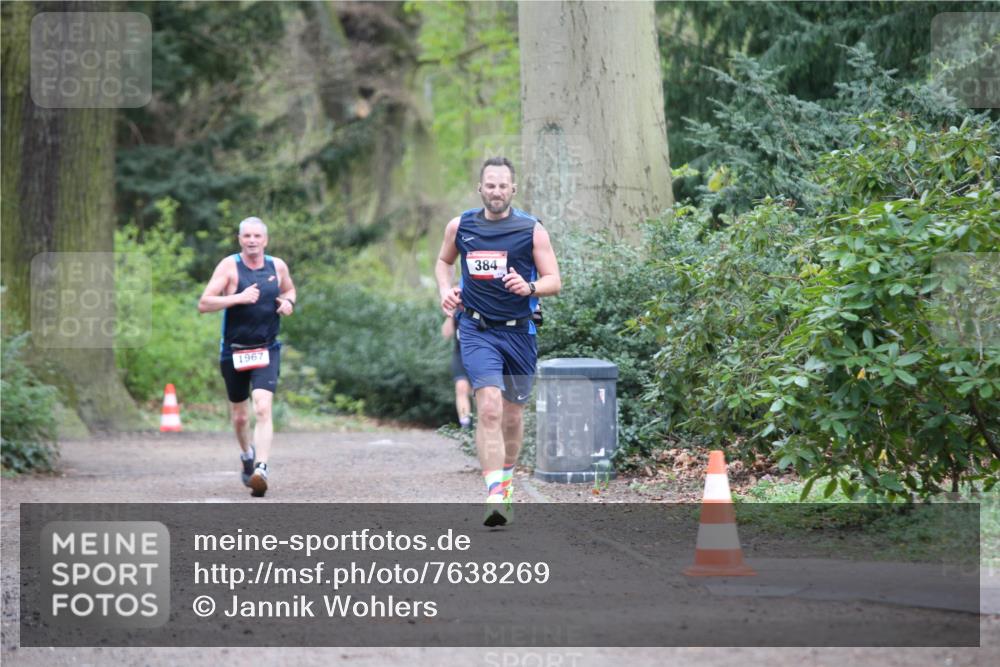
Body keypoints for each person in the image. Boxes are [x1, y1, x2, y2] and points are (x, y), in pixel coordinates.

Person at [435, 157, 561, 527]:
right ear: (480, 188)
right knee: (488, 407)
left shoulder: (531, 230)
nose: (496, 191)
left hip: (520, 331)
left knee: (512, 414)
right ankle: (493, 492)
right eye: (490, 185)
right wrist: (446, 291)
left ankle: (506, 480)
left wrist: (531, 286)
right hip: (477, 329)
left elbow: (555, 279)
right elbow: (444, 262)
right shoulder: (461, 226)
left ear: (513, 189)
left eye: (503, 185)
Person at [198, 217, 297, 497]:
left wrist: (288, 302)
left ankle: (261, 469)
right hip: (234, 351)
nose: (252, 241)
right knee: (241, 417)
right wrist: (237, 298)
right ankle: (246, 455)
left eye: (257, 236)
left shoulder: (277, 266)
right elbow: (204, 303)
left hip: (266, 348)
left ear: (265, 240)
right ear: (240, 239)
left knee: (263, 407)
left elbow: (289, 288)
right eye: (246, 236)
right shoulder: (230, 267)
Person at [441, 311, 473, 430]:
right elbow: (446, 334)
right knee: (461, 387)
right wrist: (450, 315)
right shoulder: (459, 310)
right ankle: (465, 425)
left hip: (480, 355)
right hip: (460, 355)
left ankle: (480, 424)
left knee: (479, 392)